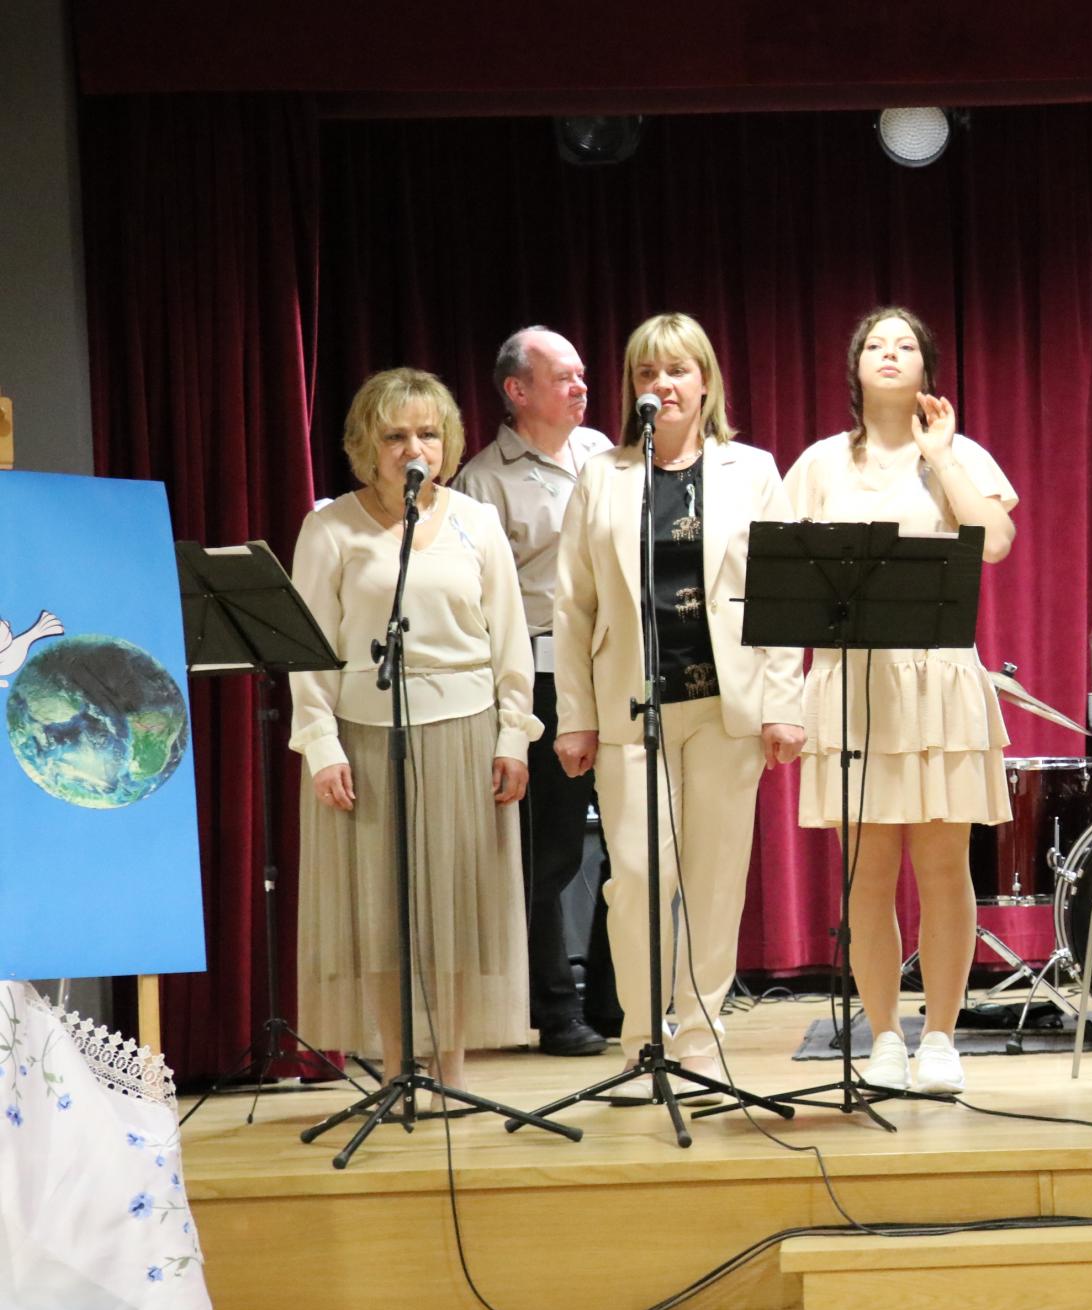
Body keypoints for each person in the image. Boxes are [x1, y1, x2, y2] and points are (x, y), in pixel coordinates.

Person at [552, 312, 806, 1097]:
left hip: (726, 705)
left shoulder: (752, 471)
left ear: (705, 382)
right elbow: (573, 605)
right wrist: (575, 715)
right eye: (646, 372)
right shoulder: (603, 475)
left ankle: (700, 1036)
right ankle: (641, 1038)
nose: (662, 385)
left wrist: (783, 702)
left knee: (715, 880)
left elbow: (781, 593)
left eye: (677, 370)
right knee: (634, 876)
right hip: (632, 707)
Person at [784, 306, 1017, 1097]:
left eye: (905, 345)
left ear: (927, 368)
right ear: (855, 366)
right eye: (876, 345)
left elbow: (994, 541)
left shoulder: (959, 452)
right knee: (868, 871)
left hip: (938, 677)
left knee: (944, 866)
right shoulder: (819, 463)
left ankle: (942, 1037)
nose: (890, 353)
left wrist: (941, 456)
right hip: (854, 681)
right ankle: (884, 1035)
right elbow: (778, 567)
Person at [291, 367, 537, 1089]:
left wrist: (513, 736)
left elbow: (510, 641)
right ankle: (400, 1071)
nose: (413, 449)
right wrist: (321, 746)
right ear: (367, 445)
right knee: (381, 915)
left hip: (465, 733)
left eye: (427, 434)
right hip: (366, 738)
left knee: (454, 915)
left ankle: (451, 1072)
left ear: (447, 442)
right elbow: (308, 653)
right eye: (395, 436)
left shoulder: (476, 522)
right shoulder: (329, 528)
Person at [454, 326, 618, 1058]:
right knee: (548, 853)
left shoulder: (605, 454)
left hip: (619, 667)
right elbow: (482, 604)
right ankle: (555, 1010)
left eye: (582, 375)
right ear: (517, 391)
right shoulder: (485, 482)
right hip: (545, 675)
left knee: (634, 843)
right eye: (563, 378)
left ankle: (619, 1002)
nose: (581, 387)